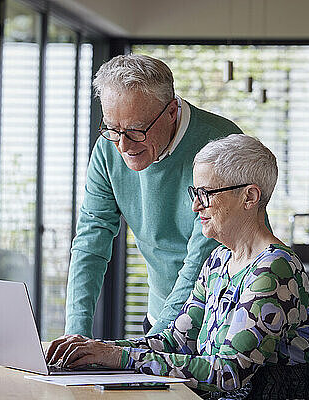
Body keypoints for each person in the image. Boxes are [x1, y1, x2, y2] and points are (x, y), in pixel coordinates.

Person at [49, 135, 309, 399]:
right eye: (195, 193)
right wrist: (97, 350)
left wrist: (116, 357)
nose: (194, 206)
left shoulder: (274, 269)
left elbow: (226, 372)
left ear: (249, 197)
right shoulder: (218, 261)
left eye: (206, 194)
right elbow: (174, 342)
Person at [66, 54, 245, 337]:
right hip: (160, 315)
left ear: (172, 111)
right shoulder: (107, 149)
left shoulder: (219, 147)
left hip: (219, 321)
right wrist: (75, 334)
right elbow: (91, 241)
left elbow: (199, 261)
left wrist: (149, 348)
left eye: (136, 130)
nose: (123, 145)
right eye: (113, 129)